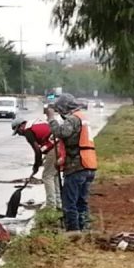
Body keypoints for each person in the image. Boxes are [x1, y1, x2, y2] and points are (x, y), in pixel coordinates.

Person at [46, 93, 98, 231]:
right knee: (82, 202)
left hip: (77, 167)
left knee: (70, 203)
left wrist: (51, 119)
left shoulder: (73, 119)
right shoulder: (82, 117)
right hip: (89, 164)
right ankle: (85, 229)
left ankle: (73, 232)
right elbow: (76, 141)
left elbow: (61, 133)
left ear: (64, 108)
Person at [11, 117, 61, 209]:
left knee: (47, 176)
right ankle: (59, 203)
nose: (19, 134)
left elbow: (37, 150)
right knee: (54, 175)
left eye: (18, 131)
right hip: (59, 145)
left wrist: (36, 165)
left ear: (21, 126)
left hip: (54, 147)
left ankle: (51, 205)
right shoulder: (34, 123)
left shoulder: (28, 131)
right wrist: (39, 161)